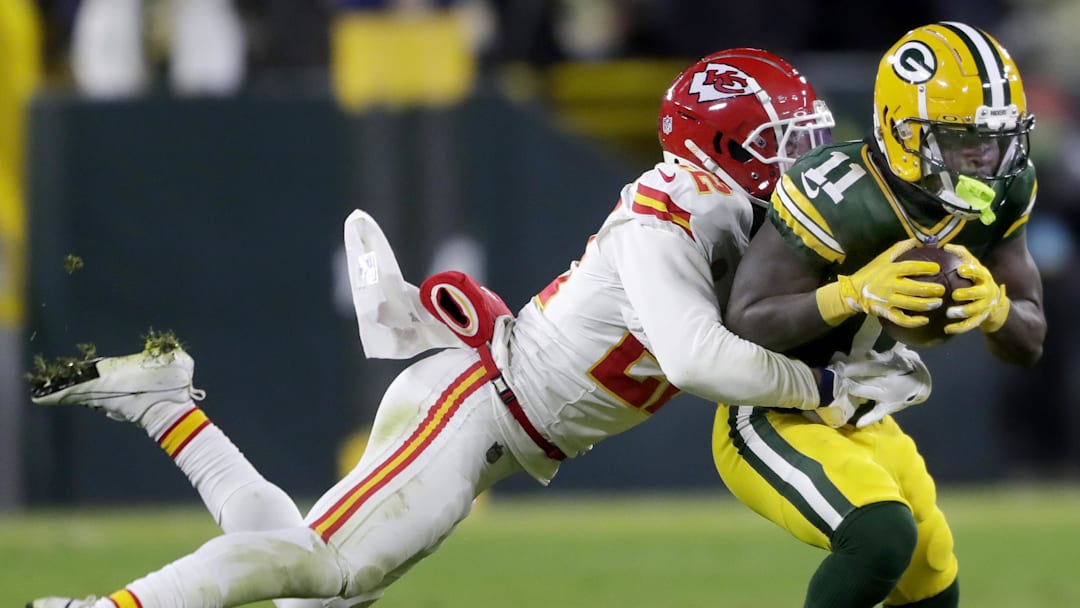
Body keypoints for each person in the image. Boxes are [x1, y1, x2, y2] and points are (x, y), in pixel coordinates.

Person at [27, 48, 915, 608]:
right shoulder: (666, 220)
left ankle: (167, 406)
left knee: (311, 583)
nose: (806, 161)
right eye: (784, 141)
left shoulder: (731, 215)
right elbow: (696, 358)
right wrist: (828, 391)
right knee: (323, 569)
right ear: (724, 148)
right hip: (476, 405)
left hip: (491, 411)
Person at [712, 22, 1046, 608]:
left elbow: (1030, 339)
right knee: (879, 535)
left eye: (994, 139)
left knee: (931, 580)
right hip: (776, 409)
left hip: (866, 408)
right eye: (958, 137)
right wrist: (852, 293)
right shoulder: (836, 190)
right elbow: (745, 320)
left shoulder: (1004, 192)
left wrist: (996, 308)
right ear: (898, 128)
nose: (983, 158)